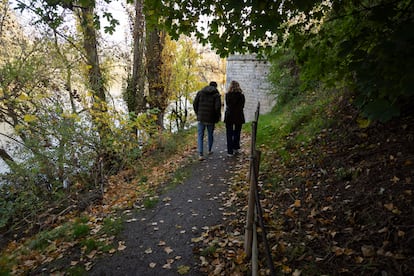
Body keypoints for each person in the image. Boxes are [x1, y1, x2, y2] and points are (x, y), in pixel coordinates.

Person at [193, 81, 222, 161]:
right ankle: (209, 150)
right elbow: (217, 108)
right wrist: (218, 117)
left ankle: (200, 154)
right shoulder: (216, 95)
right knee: (210, 134)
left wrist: (197, 113)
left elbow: (195, 104)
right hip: (211, 118)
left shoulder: (200, 92)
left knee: (200, 136)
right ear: (216, 87)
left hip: (201, 117)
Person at [224, 80, 245, 156]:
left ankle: (230, 151)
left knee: (229, 133)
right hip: (238, 115)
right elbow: (242, 106)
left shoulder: (227, 95)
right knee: (237, 132)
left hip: (229, 116)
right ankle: (236, 148)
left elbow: (228, 105)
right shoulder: (241, 95)